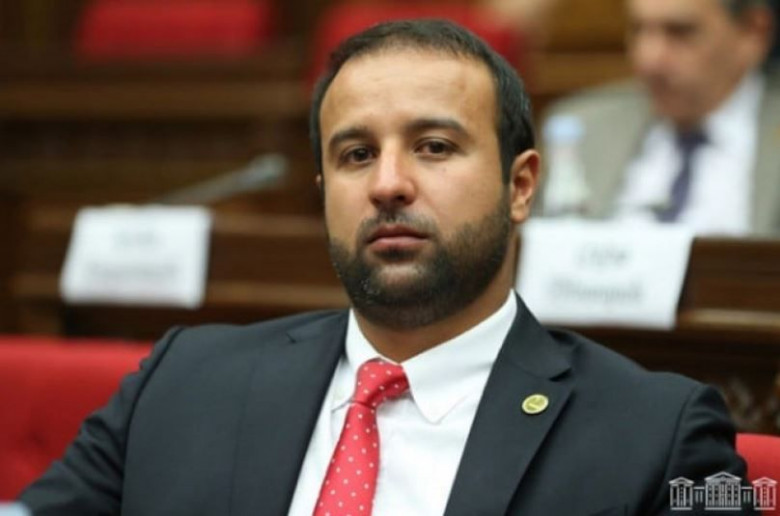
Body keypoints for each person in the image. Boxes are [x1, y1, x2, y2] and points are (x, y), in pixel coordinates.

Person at [19, 19, 754, 516]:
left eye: (434, 147)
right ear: (322, 192)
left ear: (521, 185)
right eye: (356, 154)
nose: (388, 184)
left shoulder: (658, 437)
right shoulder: (181, 382)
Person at [539, 0, 778, 236]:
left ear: (752, 32)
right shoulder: (581, 126)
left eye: (681, 32)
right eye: (638, 30)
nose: (649, 59)